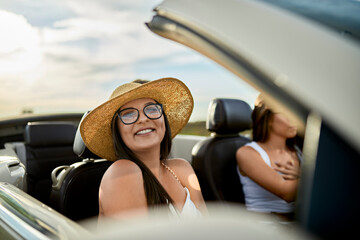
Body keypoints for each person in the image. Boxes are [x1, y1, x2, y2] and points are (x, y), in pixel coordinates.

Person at [80, 77, 207, 220]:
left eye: (151, 109)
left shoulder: (182, 168)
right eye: (129, 113)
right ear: (118, 131)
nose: (143, 119)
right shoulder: (122, 172)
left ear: (163, 119)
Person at [236, 94, 302, 221]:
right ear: (267, 117)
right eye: (286, 112)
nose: (294, 119)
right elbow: (287, 193)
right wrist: (306, 177)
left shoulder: (297, 151)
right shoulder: (247, 153)